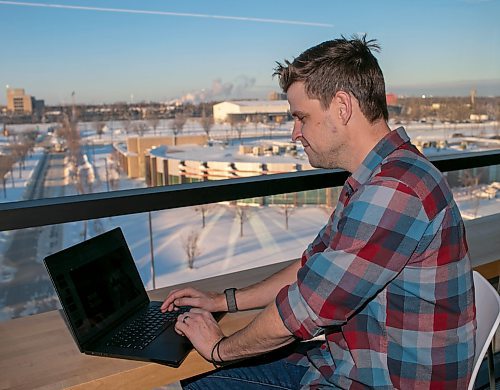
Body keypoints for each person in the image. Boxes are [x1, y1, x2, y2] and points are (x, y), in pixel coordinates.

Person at [161, 35, 476, 389]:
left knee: (203, 380)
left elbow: (305, 308)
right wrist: (224, 300)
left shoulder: (394, 191)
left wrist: (219, 349)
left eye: (301, 117)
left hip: (380, 381)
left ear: (341, 107)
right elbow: (312, 270)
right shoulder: (375, 178)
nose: (295, 133)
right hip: (347, 362)